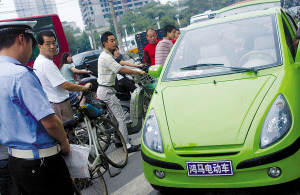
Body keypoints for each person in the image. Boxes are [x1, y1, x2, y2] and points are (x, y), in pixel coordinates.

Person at [0, 21, 74, 194]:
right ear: (21, 39)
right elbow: (50, 123)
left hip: (14, 161)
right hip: (40, 162)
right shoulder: (21, 75)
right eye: (31, 44)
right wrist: (64, 142)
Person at [97, 31, 145, 153]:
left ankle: (119, 140)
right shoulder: (107, 57)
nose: (114, 43)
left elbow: (122, 65)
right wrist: (138, 72)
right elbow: (121, 69)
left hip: (105, 90)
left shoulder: (107, 55)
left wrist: (136, 68)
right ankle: (127, 145)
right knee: (121, 118)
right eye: (111, 40)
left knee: (115, 120)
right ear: (104, 43)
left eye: (114, 40)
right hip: (107, 91)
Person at [33, 30, 92, 123]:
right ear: (40, 46)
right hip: (59, 106)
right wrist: (84, 88)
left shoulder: (39, 61)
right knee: (69, 135)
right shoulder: (46, 63)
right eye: (48, 44)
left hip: (53, 103)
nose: (52, 46)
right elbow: (65, 85)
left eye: (53, 43)